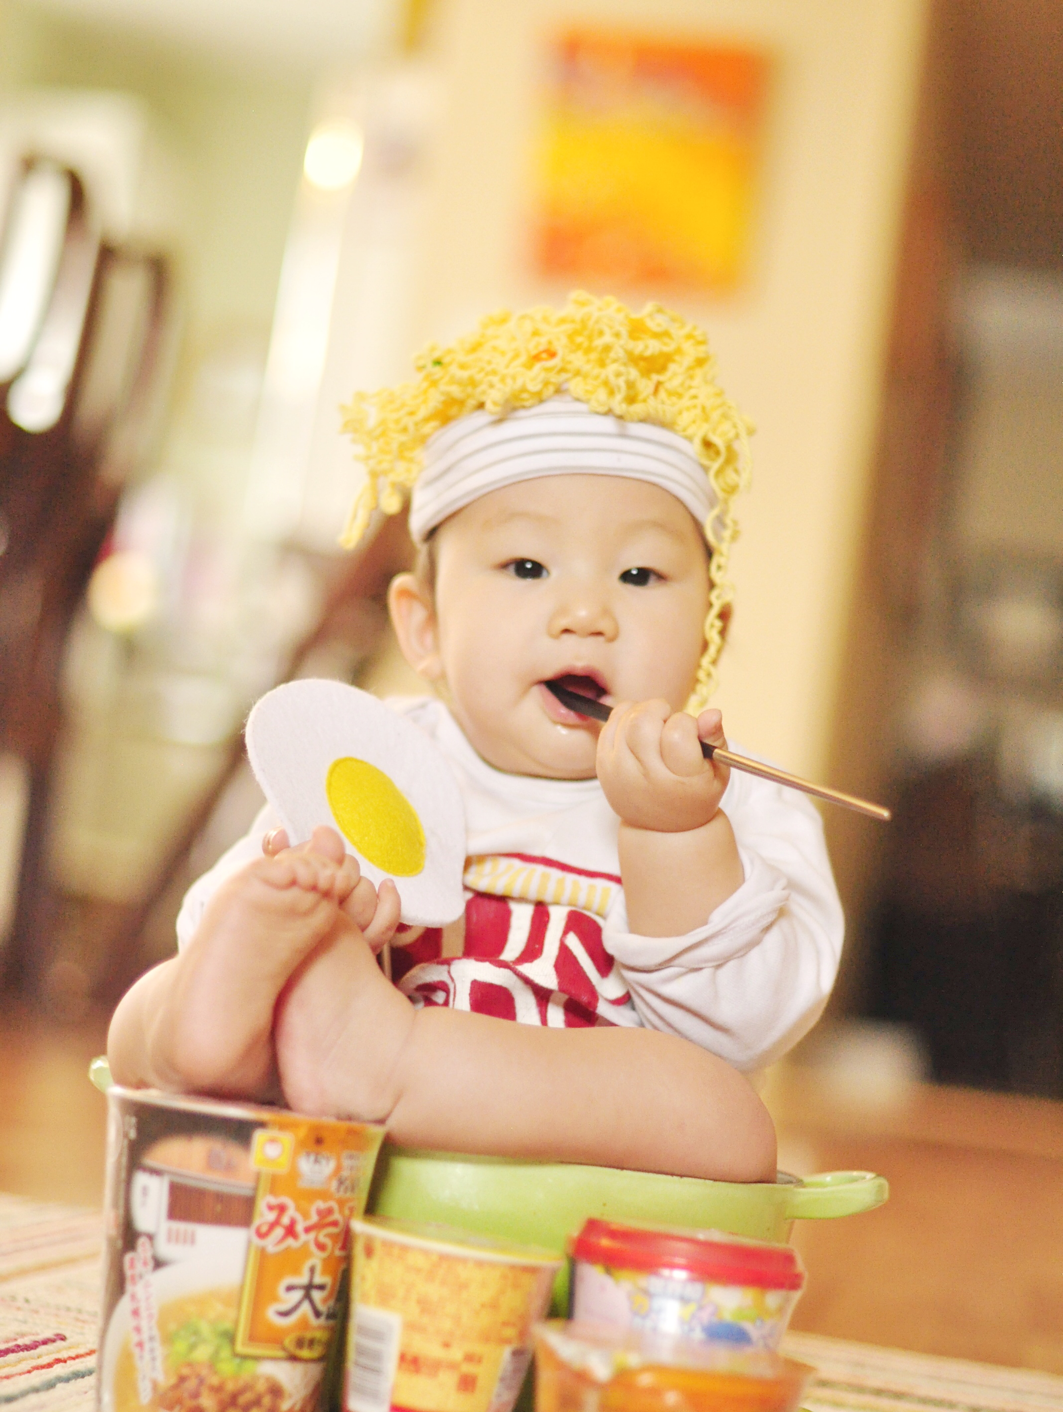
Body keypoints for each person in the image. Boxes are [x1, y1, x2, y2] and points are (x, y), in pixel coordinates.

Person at [108, 294, 843, 1183]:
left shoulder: (734, 803)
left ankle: (388, 1062)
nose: (584, 615)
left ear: (709, 635)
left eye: (639, 574)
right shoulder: (376, 760)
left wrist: (675, 835)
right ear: (423, 629)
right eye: (527, 567)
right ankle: (183, 1041)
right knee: (204, 978)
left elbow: (748, 1025)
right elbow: (242, 933)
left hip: (575, 1165)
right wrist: (298, 916)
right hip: (342, 1155)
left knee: (728, 1121)